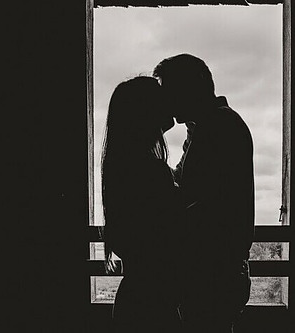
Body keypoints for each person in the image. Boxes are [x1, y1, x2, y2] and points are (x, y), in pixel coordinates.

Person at [154, 54, 255, 333]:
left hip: (214, 272)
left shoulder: (221, 127)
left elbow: (211, 203)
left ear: (191, 87)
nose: (167, 101)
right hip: (212, 269)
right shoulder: (204, 128)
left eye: (170, 90)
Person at [101, 76, 184, 333]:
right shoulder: (151, 170)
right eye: (161, 98)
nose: (169, 102)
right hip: (154, 302)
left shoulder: (126, 166)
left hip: (138, 297)